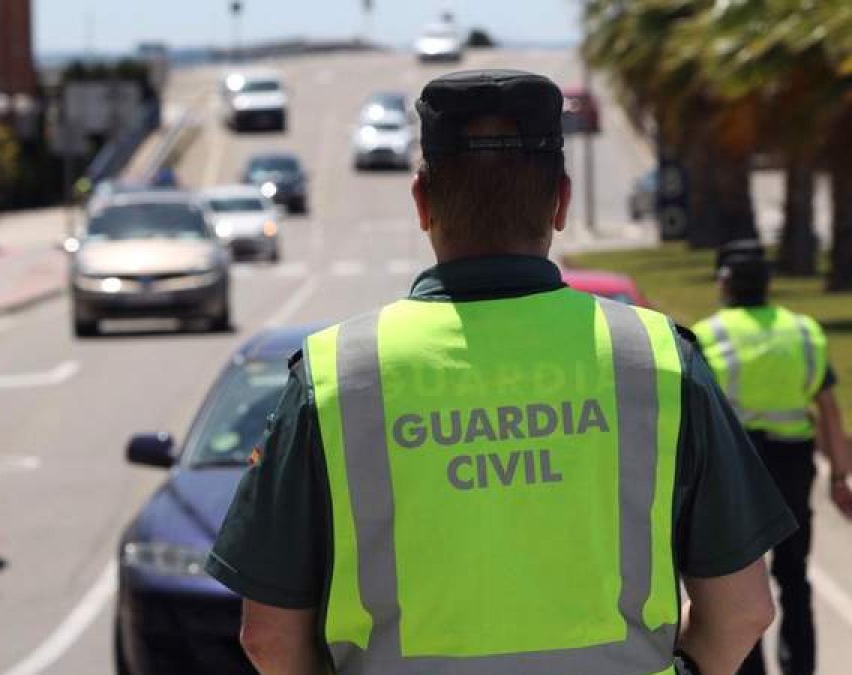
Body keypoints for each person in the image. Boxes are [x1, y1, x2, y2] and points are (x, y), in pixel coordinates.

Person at [206, 70, 797, 675]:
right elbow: (743, 610)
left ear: (421, 202)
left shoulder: (336, 375)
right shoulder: (658, 358)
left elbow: (269, 637)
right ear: (562, 201)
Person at [693, 249, 852, 675]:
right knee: (794, 577)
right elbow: (829, 410)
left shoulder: (707, 334)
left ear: (724, 284)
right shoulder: (801, 332)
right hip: (792, 465)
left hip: (735, 467)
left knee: (739, 582)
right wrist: (840, 476)